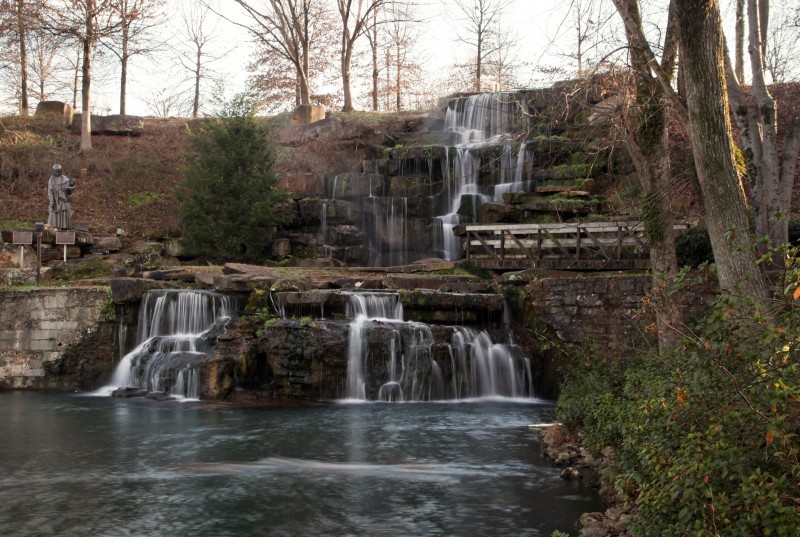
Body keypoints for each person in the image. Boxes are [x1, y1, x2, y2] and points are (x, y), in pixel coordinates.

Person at [47, 163, 76, 229]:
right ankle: (54, 226)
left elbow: (70, 188)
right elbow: (50, 191)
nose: (57, 173)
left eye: (58, 171)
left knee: (64, 211)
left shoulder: (65, 178)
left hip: (64, 199)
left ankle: (64, 226)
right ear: (53, 171)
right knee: (54, 213)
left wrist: (70, 186)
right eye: (56, 171)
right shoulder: (51, 180)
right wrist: (51, 201)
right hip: (55, 200)